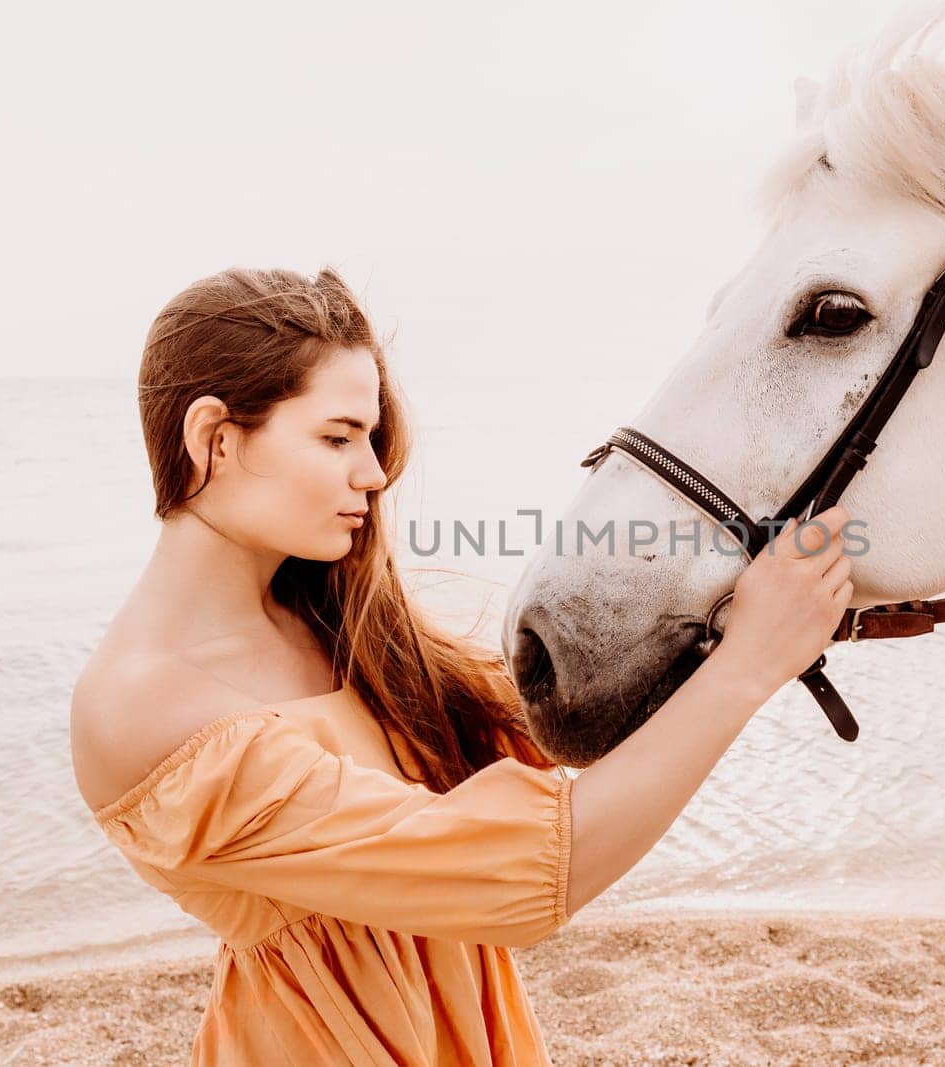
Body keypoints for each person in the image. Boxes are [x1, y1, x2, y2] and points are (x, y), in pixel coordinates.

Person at [69, 265, 854, 1065]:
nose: (373, 474)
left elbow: (564, 745)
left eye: (369, 440)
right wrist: (750, 663)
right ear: (214, 439)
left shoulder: (332, 622)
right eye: (337, 437)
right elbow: (528, 870)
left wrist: (723, 610)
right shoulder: (145, 707)